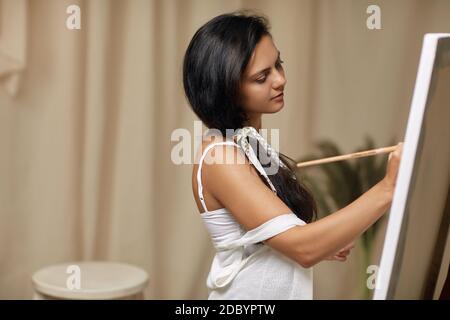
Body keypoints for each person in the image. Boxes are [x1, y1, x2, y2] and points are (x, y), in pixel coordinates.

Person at [182, 10, 403, 299]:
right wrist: (389, 188)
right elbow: (303, 248)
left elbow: (275, 239)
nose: (280, 80)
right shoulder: (220, 156)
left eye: (278, 65)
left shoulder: (247, 143)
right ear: (226, 89)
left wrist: (325, 243)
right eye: (262, 77)